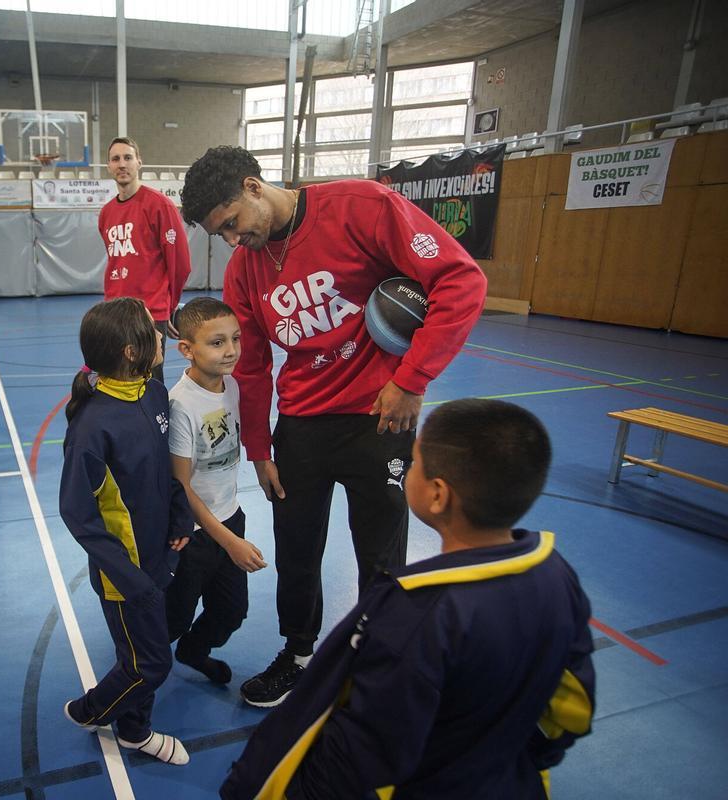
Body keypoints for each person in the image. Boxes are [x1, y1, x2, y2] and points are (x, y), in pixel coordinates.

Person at [180, 145, 487, 707]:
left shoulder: (361, 207)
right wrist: (259, 447)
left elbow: (460, 281)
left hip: (380, 415)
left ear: (253, 186)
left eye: (231, 224)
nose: (230, 240)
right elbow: (250, 366)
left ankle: (381, 655)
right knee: (297, 550)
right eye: (218, 234)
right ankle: (298, 654)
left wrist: (413, 378)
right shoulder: (245, 268)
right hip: (301, 426)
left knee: (380, 553)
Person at [220, 399, 596, 800]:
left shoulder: (413, 611)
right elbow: (572, 710)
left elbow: (361, 749)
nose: (406, 470)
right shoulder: (558, 576)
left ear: (437, 495)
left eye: (413, 463)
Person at [58, 297, 194, 766]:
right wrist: (133, 581)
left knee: (146, 653)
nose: (163, 336)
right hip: (126, 576)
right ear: (131, 350)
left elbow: (166, 467)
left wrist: (181, 518)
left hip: (161, 554)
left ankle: (135, 730)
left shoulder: (154, 394)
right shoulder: (92, 426)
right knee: (150, 664)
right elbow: (79, 515)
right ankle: (90, 710)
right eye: (154, 331)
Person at [165, 297, 266, 687]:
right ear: (187, 349)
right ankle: (136, 677)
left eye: (235, 340)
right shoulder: (180, 405)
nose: (231, 351)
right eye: (217, 342)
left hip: (229, 517)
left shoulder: (232, 387)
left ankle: (193, 651)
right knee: (173, 619)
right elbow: (182, 487)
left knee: (231, 613)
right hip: (192, 534)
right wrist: (229, 542)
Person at [99, 136, 192, 383]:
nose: (122, 164)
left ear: (139, 162)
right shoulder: (106, 213)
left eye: (128, 158)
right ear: (108, 166)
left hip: (150, 312)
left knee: (150, 381)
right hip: (115, 312)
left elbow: (180, 264)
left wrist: (170, 306)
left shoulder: (159, 205)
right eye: (115, 159)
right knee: (118, 379)